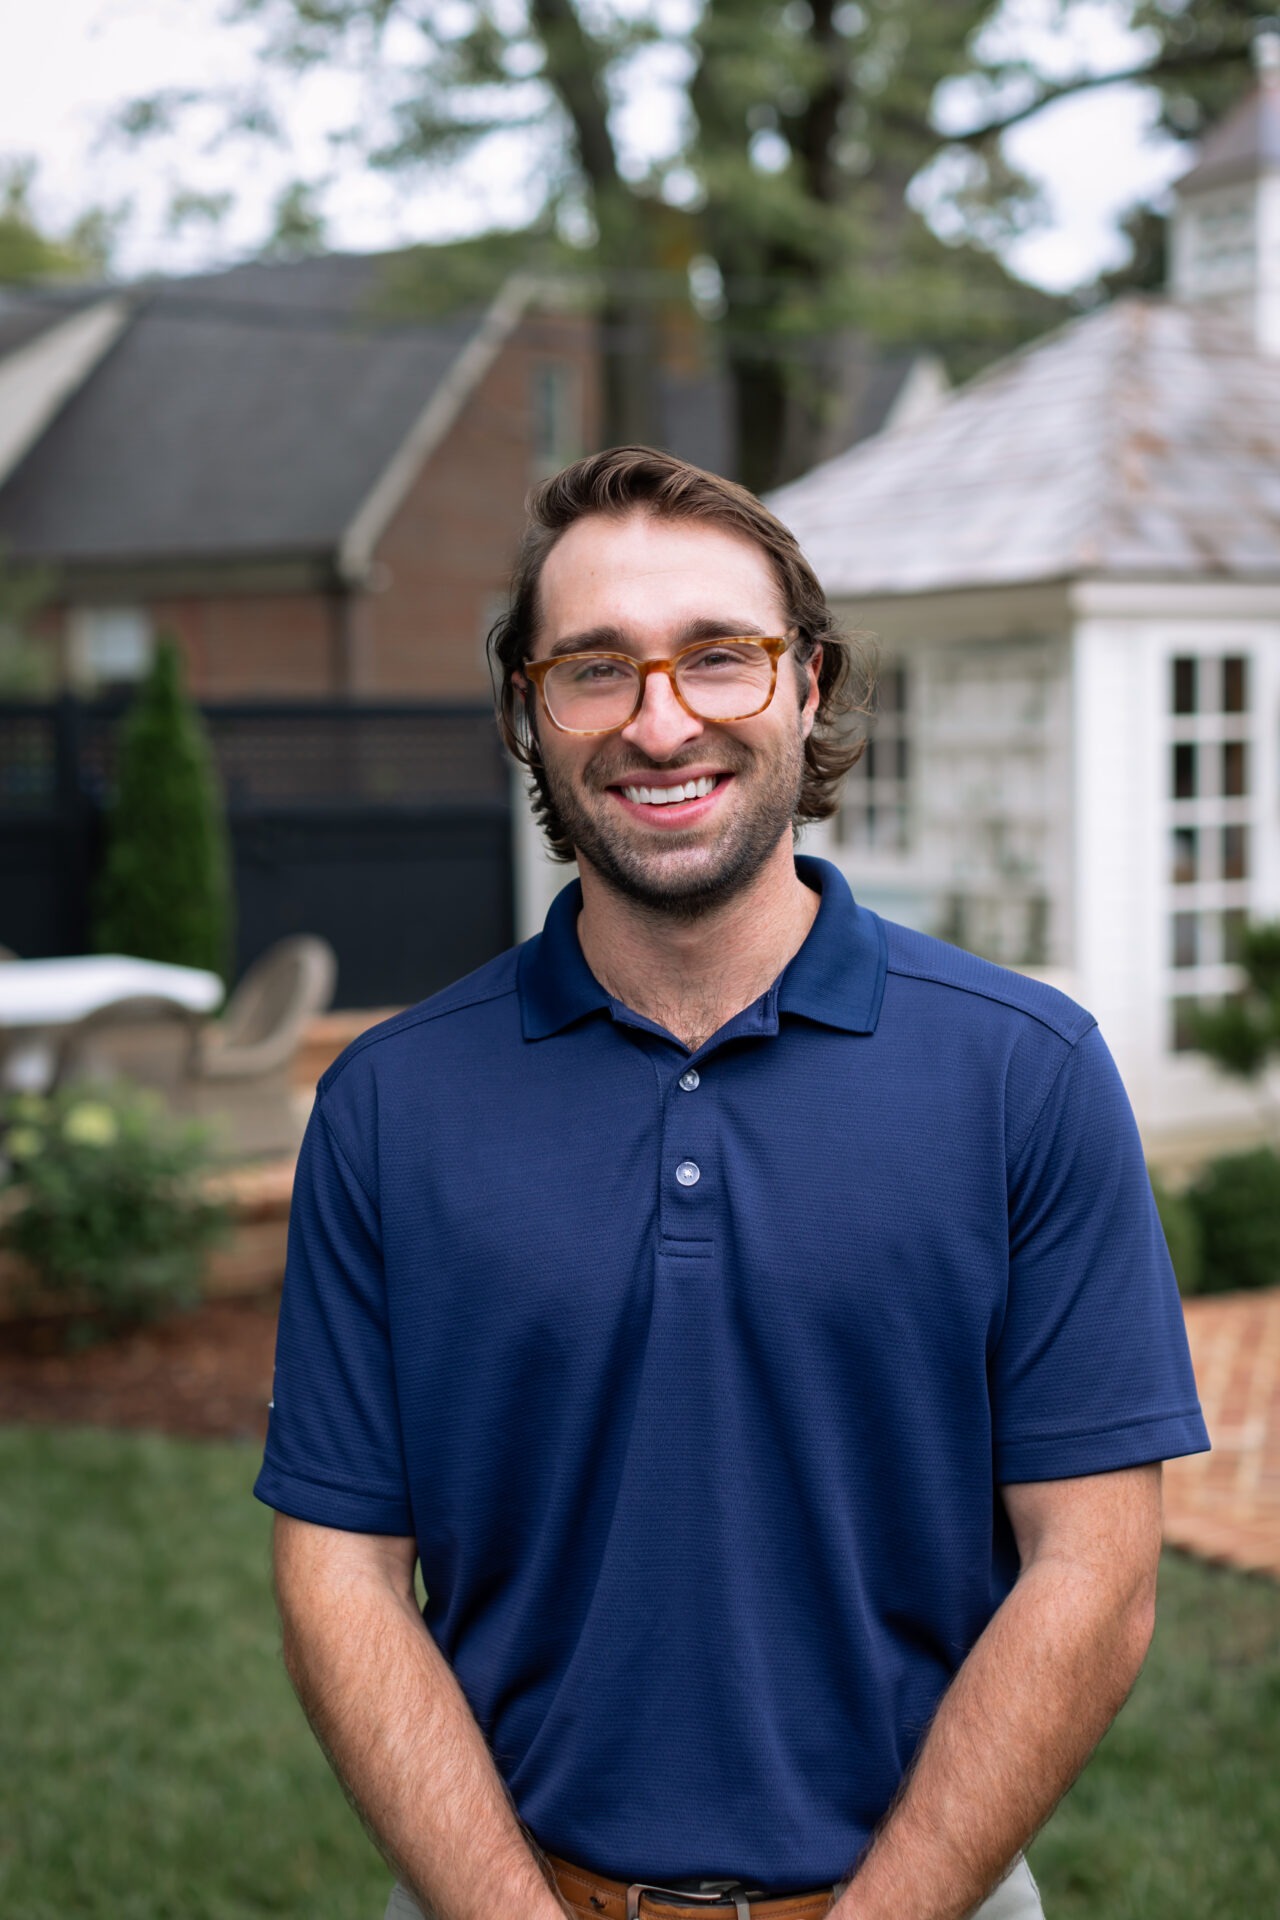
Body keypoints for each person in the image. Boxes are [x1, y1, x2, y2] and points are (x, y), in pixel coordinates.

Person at [255, 447, 1209, 1920]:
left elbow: (1093, 1574)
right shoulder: (390, 1107)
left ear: (809, 686)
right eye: (595, 668)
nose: (661, 720)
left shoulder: (1027, 1073)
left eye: (721, 657)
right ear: (528, 710)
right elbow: (339, 1581)